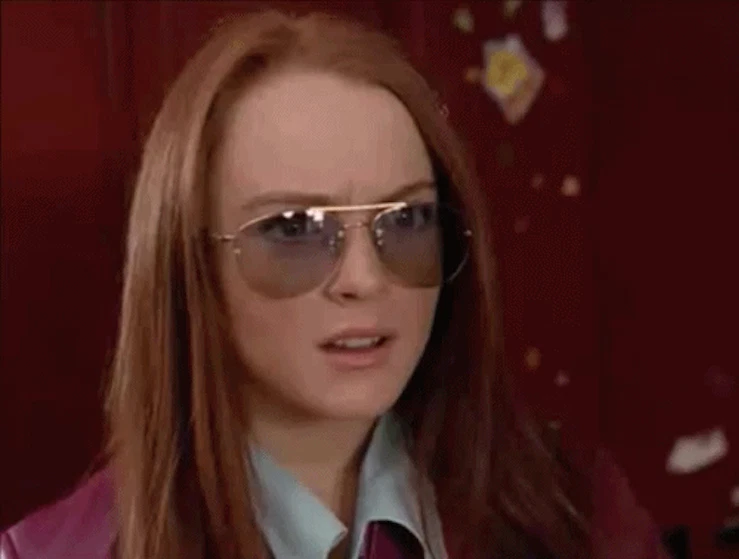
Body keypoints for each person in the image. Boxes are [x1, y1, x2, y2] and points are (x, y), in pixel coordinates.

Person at [0, 10, 670, 559]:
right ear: (189, 264)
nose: (364, 279)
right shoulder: (53, 554)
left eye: (406, 219)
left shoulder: (580, 515)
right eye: (294, 228)